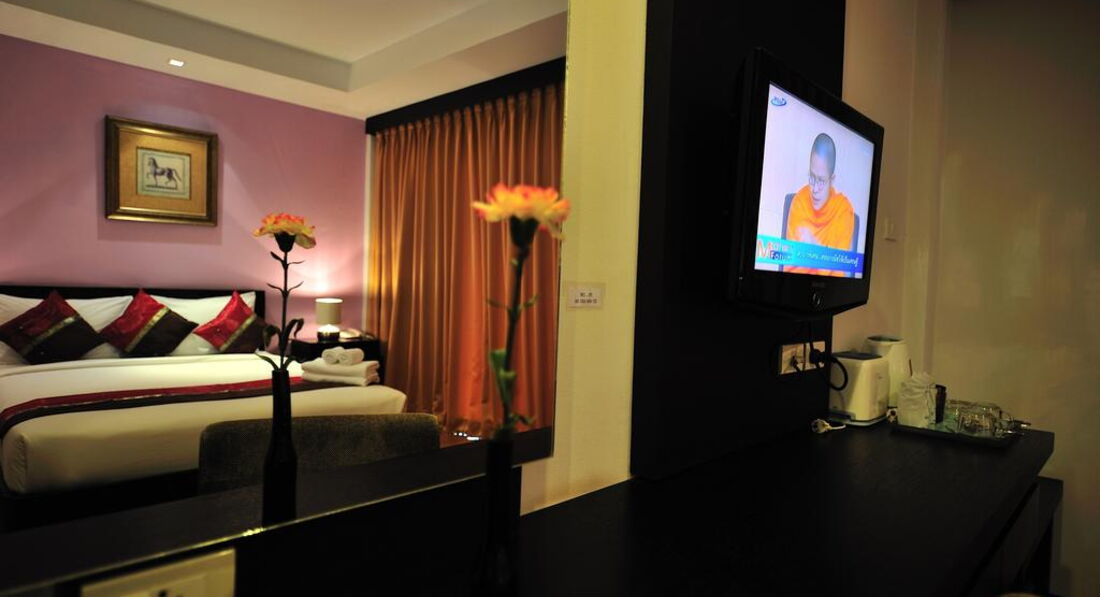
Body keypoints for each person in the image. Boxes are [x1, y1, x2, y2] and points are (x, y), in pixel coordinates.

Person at [784, 133, 855, 276]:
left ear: (832, 179)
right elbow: (790, 269)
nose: (814, 189)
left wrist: (813, 248)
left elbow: (838, 272)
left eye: (821, 180)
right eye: (812, 177)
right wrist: (823, 259)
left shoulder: (843, 210)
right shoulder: (799, 203)